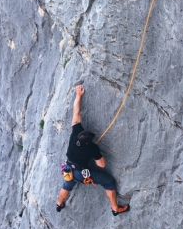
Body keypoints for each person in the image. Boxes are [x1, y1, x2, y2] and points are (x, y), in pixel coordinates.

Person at [56, 84, 130, 216]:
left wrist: (78, 95)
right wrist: (97, 154)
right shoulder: (92, 148)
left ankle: (59, 203)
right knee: (109, 181)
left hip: (68, 168)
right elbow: (101, 165)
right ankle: (115, 208)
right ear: (89, 141)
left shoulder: (75, 133)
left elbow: (76, 113)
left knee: (67, 185)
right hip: (80, 173)